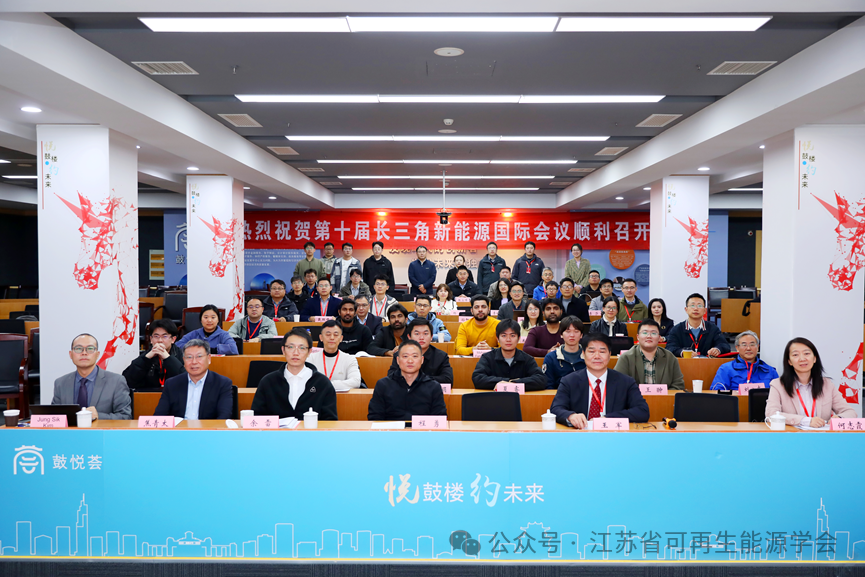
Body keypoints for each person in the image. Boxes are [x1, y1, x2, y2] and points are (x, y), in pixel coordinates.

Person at [551, 333, 650, 428]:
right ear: (583, 354)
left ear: (609, 354)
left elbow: (642, 411)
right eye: (591, 351)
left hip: (613, 434)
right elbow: (556, 408)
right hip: (580, 433)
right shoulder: (569, 381)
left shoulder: (626, 382)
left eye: (602, 352)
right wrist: (571, 416)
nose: (597, 356)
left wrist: (608, 419)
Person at [766, 337, 856, 427]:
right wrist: (806, 421)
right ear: (789, 361)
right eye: (795, 355)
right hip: (792, 434)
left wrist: (840, 418)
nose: (802, 359)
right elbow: (771, 414)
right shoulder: (778, 385)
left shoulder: (827, 384)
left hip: (821, 434)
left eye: (806, 353)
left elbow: (850, 412)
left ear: (814, 358)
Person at [252, 328, 338, 420]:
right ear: (283, 350)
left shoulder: (322, 383)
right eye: (291, 347)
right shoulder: (268, 382)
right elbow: (256, 418)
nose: (296, 353)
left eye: (302, 348)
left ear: (309, 352)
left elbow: (330, 421)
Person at [52, 333, 131, 420]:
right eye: (78, 349)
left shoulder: (116, 381)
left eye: (90, 349)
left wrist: (98, 416)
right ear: (71, 354)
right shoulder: (60, 383)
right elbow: (55, 417)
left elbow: (126, 417)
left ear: (97, 354)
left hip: (101, 429)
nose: (84, 353)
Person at [368, 340, 448, 421]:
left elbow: (440, 419)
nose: (410, 361)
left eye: (415, 356)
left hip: (422, 429)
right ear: (398, 360)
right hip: (390, 429)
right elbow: (374, 417)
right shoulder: (383, 385)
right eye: (405, 356)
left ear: (422, 360)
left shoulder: (433, 387)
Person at [154, 339, 233, 419]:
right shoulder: (172, 384)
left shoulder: (222, 383)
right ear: (184, 360)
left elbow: (224, 416)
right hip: (180, 427)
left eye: (199, 356)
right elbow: (159, 416)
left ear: (209, 359)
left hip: (208, 427)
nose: (194, 362)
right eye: (189, 357)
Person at [472, 319, 546, 391]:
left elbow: (541, 379)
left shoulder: (527, 359)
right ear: (497, 339)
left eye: (512, 335)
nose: (508, 339)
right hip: (494, 398)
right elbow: (477, 378)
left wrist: (514, 382)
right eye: (504, 336)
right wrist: (505, 382)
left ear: (518, 338)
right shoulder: (487, 357)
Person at [615, 319, 685, 390]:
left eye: (653, 333)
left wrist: (664, 395)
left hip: (663, 397)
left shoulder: (670, 358)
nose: (649, 336)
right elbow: (618, 384)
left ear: (659, 338)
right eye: (645, 333)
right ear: (638, 337)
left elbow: (678, 385)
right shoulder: (626, 358)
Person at [123, 319, 185, 390]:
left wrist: (168, 358)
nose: (160, 340)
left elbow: (185, 379)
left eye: (164, 336)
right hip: (149, 395)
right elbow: (128, 381)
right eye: (156, 336)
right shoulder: (146, 356)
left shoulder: (181, 355)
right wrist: (145, 359)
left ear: (173, 339)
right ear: (151, 339)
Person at [389, 318, 454, 383]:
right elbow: (391, 377)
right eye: (417, 334)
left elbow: (448, 380)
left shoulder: (441, 356)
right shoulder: (400, 354)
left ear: (431, 337)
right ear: (409, 337)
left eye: (425, 334)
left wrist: (417, 379)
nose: (421, 338)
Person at [665, 293, 730, 358]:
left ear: (705, 310)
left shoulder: (712, 328)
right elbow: (669, 348)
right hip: (685, 363)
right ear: (686, 309)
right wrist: (682, 352)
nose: (696, 309)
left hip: (707, 363)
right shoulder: (677, 329)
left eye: (699, 306)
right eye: (692, 305)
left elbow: (725, 345)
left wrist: (717, 349)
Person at [711, 330, 779, 391]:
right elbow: (716, 391)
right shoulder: (726, 369)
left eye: (752, 344)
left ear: (758, 347)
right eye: (744, 345)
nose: (748, 348)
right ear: (737, 348)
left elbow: (779, 394)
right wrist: (734, 393)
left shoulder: (770, 371)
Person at [309, 320, 362, 390]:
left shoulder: (349, 359)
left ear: (341, 338)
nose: (332, 338)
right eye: (328, 334)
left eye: (336, 335)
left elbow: (356, 382)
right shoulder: (310, 358)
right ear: (321, 337)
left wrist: (327, 385)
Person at [542, 316, 586, 389]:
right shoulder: (551, 357)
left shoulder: (589, 356)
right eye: (568, 331)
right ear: (561, 334)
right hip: (559, 394)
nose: (572, 335)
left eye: (576, 331)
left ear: (581, 335)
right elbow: (548, 385)